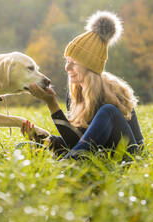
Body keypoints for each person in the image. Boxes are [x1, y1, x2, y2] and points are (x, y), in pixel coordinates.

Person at [20, 11, 144, 160]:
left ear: (89, 67)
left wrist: (52, 104)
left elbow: (83, 146)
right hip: (97, 155)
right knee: (24, 148)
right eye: (67, 61)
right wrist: (40, 138)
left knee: (108, 111)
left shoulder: (112, 91)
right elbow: (77, 142)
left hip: (128, 156)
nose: (67, 68)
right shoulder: (76, 92)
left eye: (74, 63)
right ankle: (67, 164)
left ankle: (66, 165)